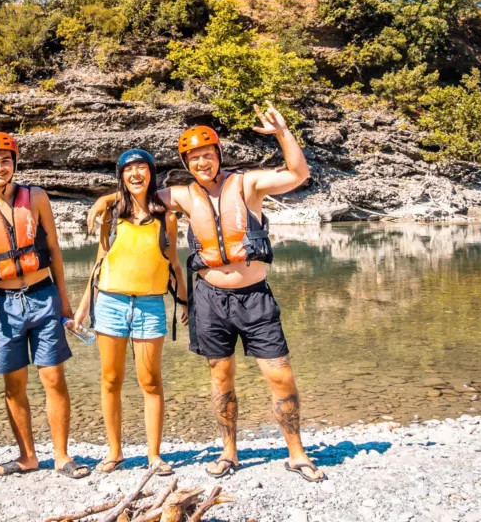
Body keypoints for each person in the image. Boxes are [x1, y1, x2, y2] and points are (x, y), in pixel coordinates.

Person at [87, 102, 325, 482]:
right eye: (194, 158)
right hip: (210, 299)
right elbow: (138, 196)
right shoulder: (181, 196)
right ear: (186, 163)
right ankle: (229, 453)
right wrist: (106, 199)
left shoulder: (247, 184)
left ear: (218, 155)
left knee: (279, 374)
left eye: (208, 155)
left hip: (254, 296)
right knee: (220, 377)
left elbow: (299, 173)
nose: (202, 162)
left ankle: (296, 452)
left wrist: (282, 132)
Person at [0, 132, 89, 479]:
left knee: (53, 377)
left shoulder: (36, 197)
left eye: (6, 160)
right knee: (13, 385)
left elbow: (56, 252)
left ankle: (62, 456)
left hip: (43, 295)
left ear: (15, 163)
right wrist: (1, 279)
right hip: (3, 305)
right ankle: (28, 456)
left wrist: (64, 299)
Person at [72, 149, 188, 475]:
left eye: (142, 168)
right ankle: (114, 452)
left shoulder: (167, 217)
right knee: (111, 379)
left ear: (151, 173)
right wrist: (83, 307)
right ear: (121, 176)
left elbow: (174, 264)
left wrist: (184, 301)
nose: (136, 174)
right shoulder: (112, 215)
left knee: (150, 381)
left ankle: (154, 455)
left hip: (150, 304)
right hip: (110, 302)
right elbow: (99, 261)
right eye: (129, 170)